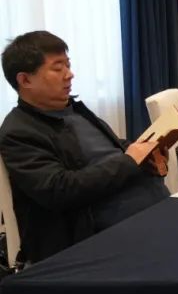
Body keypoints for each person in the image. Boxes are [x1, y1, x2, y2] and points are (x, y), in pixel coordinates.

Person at [0, 31, 168, 263]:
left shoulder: (74, 110)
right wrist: (130, 161)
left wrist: (146, 155)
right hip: (95, 239)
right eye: (58, 68)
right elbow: (60, 190)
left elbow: (113, 148)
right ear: (25, 80)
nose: (69, 75)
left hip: (150, 214)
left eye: (68, 65)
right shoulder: (19, 131)